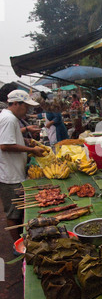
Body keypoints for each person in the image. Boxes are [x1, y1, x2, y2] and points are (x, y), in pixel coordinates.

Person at [0, 90, 45, 243]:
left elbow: (9, 136)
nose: (27, 111)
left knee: (18, 212)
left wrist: (25, 133)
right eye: (26, 107)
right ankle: (17, 245)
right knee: (14, 214)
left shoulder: (9, 117)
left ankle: (20, 241)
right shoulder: (9, 119)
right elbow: (5, 145)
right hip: (9, 175)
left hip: (13, 171)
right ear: (16, 104)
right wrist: (32, 150)